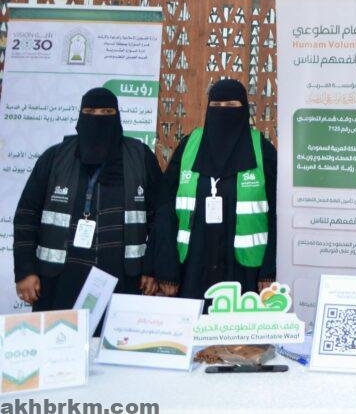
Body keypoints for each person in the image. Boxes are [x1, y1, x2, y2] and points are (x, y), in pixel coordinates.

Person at [13, 88, 163, 311]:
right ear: (80, 116)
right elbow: (27, 216)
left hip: (126, 280)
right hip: (59, 281)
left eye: (106, 112)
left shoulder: (140, 157)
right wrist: (25, 271)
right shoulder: (54, 158)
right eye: (90, 111)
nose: (98, 118)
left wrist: (153, 269)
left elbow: (160, 218)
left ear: (117, 116)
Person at [155, 79, 277, 300]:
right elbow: (165, 210)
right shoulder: (189, 146)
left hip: (245, 272)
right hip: (192, 269)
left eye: (231, 106)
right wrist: (167, 269)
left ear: (244, 109)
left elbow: (276, 214)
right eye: (216, 106)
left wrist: (269, 270)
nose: (223, 111)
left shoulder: (262, 150)